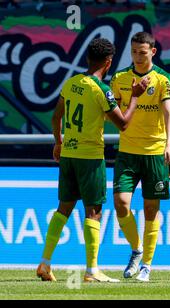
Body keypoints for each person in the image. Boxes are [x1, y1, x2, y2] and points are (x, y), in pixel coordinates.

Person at [36, 38, 149, 282]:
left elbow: (56, 117)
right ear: (108, 62)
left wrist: (58, 142)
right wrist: (136, 96)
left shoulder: (72, 82)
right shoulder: (101, 90)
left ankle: (45, 263)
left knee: (64, 207)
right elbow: (123, 124)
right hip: (89, 157)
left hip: (69, 154)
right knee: (94, 210)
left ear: (87, 58)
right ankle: (92, 270)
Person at [110, 31, 170, 282]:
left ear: (153, 52)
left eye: (143, 52)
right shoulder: (120, 78)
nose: (138, 56)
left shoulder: (163, 78)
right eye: (134, 52)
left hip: (154, 152)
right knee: (121, 204)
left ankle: (147, 264)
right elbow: (114, 113)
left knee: (151, 208)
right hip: (127, 151)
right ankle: (137, 249)